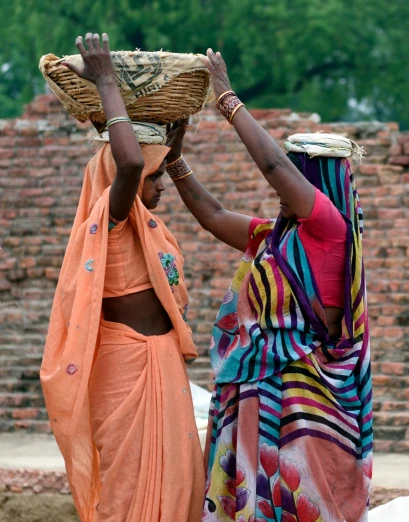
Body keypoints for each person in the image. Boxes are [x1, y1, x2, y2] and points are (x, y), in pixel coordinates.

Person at [164, 49, 372, 521]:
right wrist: (176, 161)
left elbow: (275, 167)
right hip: (257, 390)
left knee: (296, 505)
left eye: (301, 171)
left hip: (305, 401)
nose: (289, 179)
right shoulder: (277, 238)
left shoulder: (331, 230)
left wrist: (228, 100)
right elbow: (213, 216)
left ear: (318, 179)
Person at [39, 33, 205, 522]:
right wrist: (108, 81)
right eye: (155, 180)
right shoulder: (109, 218)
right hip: (124, 368)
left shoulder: (146, 227)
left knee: (178, 478)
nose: (161, 187)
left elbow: (150, 159)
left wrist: (176, 135)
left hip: (162, 365)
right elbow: (131, 161)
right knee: (127, 490)